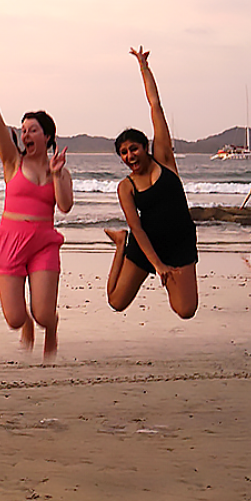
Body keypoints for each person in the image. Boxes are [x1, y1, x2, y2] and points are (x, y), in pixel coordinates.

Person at [0, 58, 73, 360]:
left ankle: (50, 327)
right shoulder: (12, 162)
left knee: (44, 314)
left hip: (43, 242)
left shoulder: (60, 170)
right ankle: (26, 322)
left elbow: (65, 207)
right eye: (24, 130)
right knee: (16, 319)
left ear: (48, 136)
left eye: (33, 130)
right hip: (10, 241)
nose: (26, 135)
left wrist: (56, 175)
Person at [104, 47, 199, 320]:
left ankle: (170, 276)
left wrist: (144, 67)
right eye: (123, 153)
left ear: (144, 147)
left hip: (180, 241)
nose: (129, 156)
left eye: (133, 149)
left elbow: (155, 104)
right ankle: (120, 245)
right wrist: (157, 265)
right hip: (147, 245)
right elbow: (137, 226)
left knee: (185, 310)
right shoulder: (126, 187)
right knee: (116, 302)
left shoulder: (165, 160)